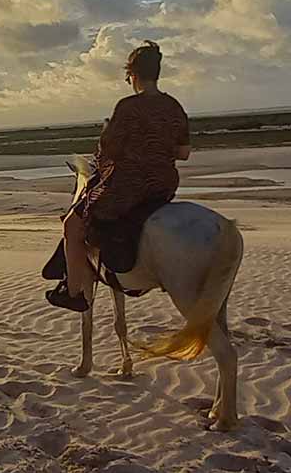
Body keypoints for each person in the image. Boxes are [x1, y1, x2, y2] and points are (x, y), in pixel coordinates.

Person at [47, 41, 192, 312]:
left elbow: (108, 151)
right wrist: (157, 148)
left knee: (71, 225)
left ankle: (75, 291)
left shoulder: (127, 107)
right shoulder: (174, 106)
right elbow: (184, 153)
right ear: (157, 72)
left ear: (133, 75)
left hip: (128, 187)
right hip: (162, 187)